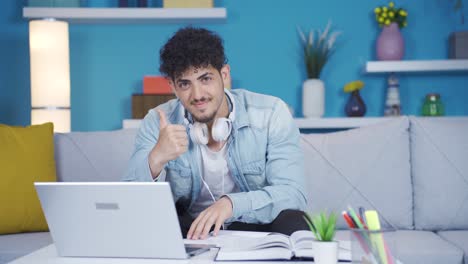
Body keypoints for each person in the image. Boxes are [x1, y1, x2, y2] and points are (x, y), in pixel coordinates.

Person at [123, 27, 308, 240]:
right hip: (192, 230)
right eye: (185, 84)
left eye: (205, 79)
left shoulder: (271, 113)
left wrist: (230, 204)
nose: (198, 94)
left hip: (254, 224)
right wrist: (156, 158)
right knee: (154, 221)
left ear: (225, 75)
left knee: (295, 220)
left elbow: (293, 194)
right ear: (173, 87)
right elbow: (129, 205)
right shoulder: (157, 121)